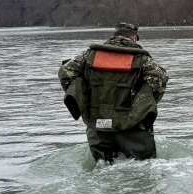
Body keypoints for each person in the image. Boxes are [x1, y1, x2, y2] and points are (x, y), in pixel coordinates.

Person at [58, 22, 169, 164]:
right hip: (132, 128)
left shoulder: (89, 56)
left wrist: (85, 99)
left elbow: (65, 72)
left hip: (98, 128)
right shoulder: (142, 59)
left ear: (114, 36)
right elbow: (159, 79)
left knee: (104, 169)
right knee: (142, 168)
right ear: (133, 38)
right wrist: (139, 107)